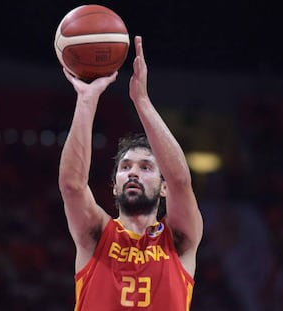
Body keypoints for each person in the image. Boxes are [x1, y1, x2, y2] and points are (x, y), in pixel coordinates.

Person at [58, 36, 203, 311]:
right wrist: (86, 101)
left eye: (146, 167)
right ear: (114, 186)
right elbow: (72, 186)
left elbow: (181, 180)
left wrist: (142, 101)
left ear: (163, 187)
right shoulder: (97, 235)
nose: (133, 173)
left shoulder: (179, 239)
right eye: (125, 168)